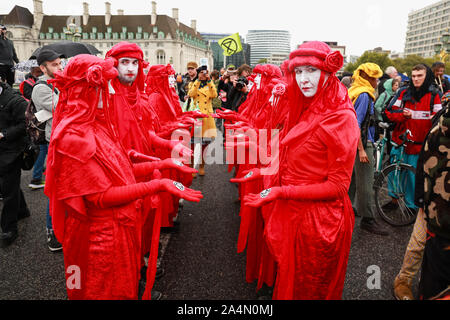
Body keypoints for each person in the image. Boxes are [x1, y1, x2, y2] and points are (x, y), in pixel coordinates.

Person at [44, 54, 203, 300]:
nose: (111, 90)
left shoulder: (97, 126)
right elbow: (100, 197)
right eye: (106, 84)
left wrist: (161, 162)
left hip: (117, 232)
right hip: (100, 241)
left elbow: (122, 171)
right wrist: (158, 183)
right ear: (88, 87)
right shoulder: (73, 137)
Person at [242, 41, 360, 300]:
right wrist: (265, 174)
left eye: (311, 70)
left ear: (329, 73)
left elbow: (338, 187)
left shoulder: (340, 117)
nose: (304, 79)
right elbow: (291, 159)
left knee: (309, 287)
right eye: (299, 71)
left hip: (319, 222)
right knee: (292, 281)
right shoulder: (306, 108)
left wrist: (282, 191)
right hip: (295, 212)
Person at [384, 64, 442, 214]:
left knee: (413, 177)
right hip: (400, 142)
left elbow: (439, 119)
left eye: (419, 76)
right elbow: (389, 111)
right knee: (395, 174)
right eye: (414, 76)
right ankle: (394, 200)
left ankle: (412, 205)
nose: (415, 79)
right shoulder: (403, 92)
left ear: (427, 76)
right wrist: (402, 115)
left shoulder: (435, 94)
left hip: (420, 145)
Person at [348, 62, 389, 235]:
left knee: (351, 182)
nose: (377, 82)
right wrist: (362, 149)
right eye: (376, 78)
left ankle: (347, 211)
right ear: (369, 78)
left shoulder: (354, 90)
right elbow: (356, 123)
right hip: (363, 143)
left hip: (352, 143)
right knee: (366, 183)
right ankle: (368, 219)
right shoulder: (364, 94)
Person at [31, 49, 63, 251]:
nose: (59, 68)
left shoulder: (58, 84)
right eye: (54, 65)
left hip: (68, 142)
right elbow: (64, 107)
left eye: (60, 64)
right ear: (43, 68)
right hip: (55, 143)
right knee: (56, 191)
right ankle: (52, 231)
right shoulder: (41, 88)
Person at [0, 77, 30, 247]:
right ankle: (23, 210)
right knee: (9, 186)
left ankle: (9, 229)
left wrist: (4, 134)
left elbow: (25, 124)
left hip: (12, 151)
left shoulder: (15, 100)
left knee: (8, 191)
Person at [187, 65, 218, 176]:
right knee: (193, 145)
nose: (203, 75)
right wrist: (198, 81)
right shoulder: (193, 83)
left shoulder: (210, 85)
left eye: (205, 73)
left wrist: (209, 80)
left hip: (207, 118)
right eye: (202, 73)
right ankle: (191, 167)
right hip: (196, 117)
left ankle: (201, 166)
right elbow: (191, 94)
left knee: (204, 146)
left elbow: (214, 94)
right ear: (198, 73)